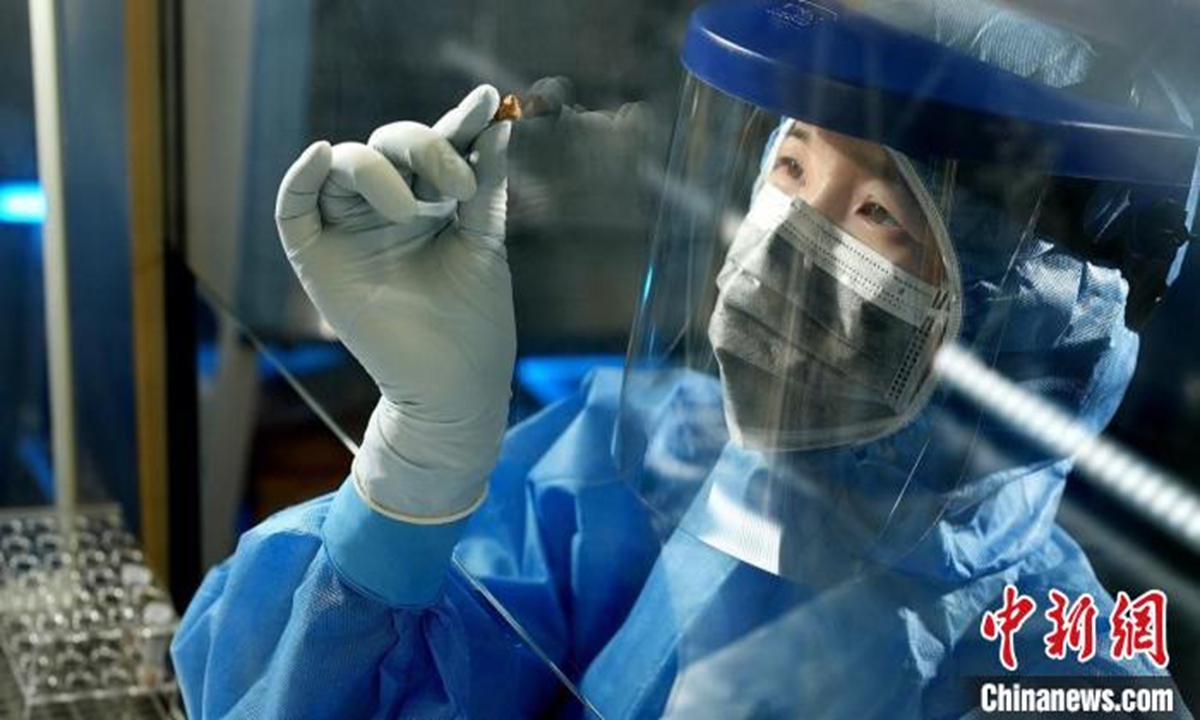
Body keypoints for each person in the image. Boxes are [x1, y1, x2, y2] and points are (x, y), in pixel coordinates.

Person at [171, 1, 1197, 717]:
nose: (790, 237)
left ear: (1034, 313)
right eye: (790, 164)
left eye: (879, 208)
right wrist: (415, 468)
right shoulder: (641, 469)